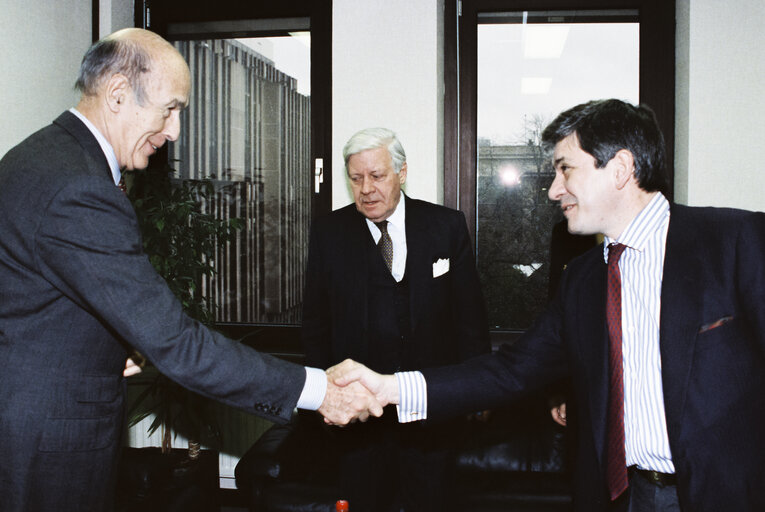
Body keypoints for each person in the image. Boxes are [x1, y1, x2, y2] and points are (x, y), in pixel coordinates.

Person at [0, 28, 378, 512]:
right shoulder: (79, 188)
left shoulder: (39, 158)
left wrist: (108, 342)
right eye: (171, 108)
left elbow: (32, 302)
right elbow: (178, 343)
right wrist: (318, 390)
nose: (175, 131)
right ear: (118, 94)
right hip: (46, 447)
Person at [329, 99, 765, 511]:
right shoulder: (584, 280)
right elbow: (511, 369)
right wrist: (388, 388)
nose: (554, 190)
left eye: (565, 169)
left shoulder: (735, 243)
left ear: (620, 169)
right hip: (621, 497)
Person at [301, 127, 491, 511]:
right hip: (359, 418)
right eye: (356, 179)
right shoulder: (329, 233)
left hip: (429, 412)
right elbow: (316, 323)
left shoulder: (446, 226)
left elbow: (468, 315)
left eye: (377, 176)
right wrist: (322, 394)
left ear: (401, 174)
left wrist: (478, 386)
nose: (366, 188)